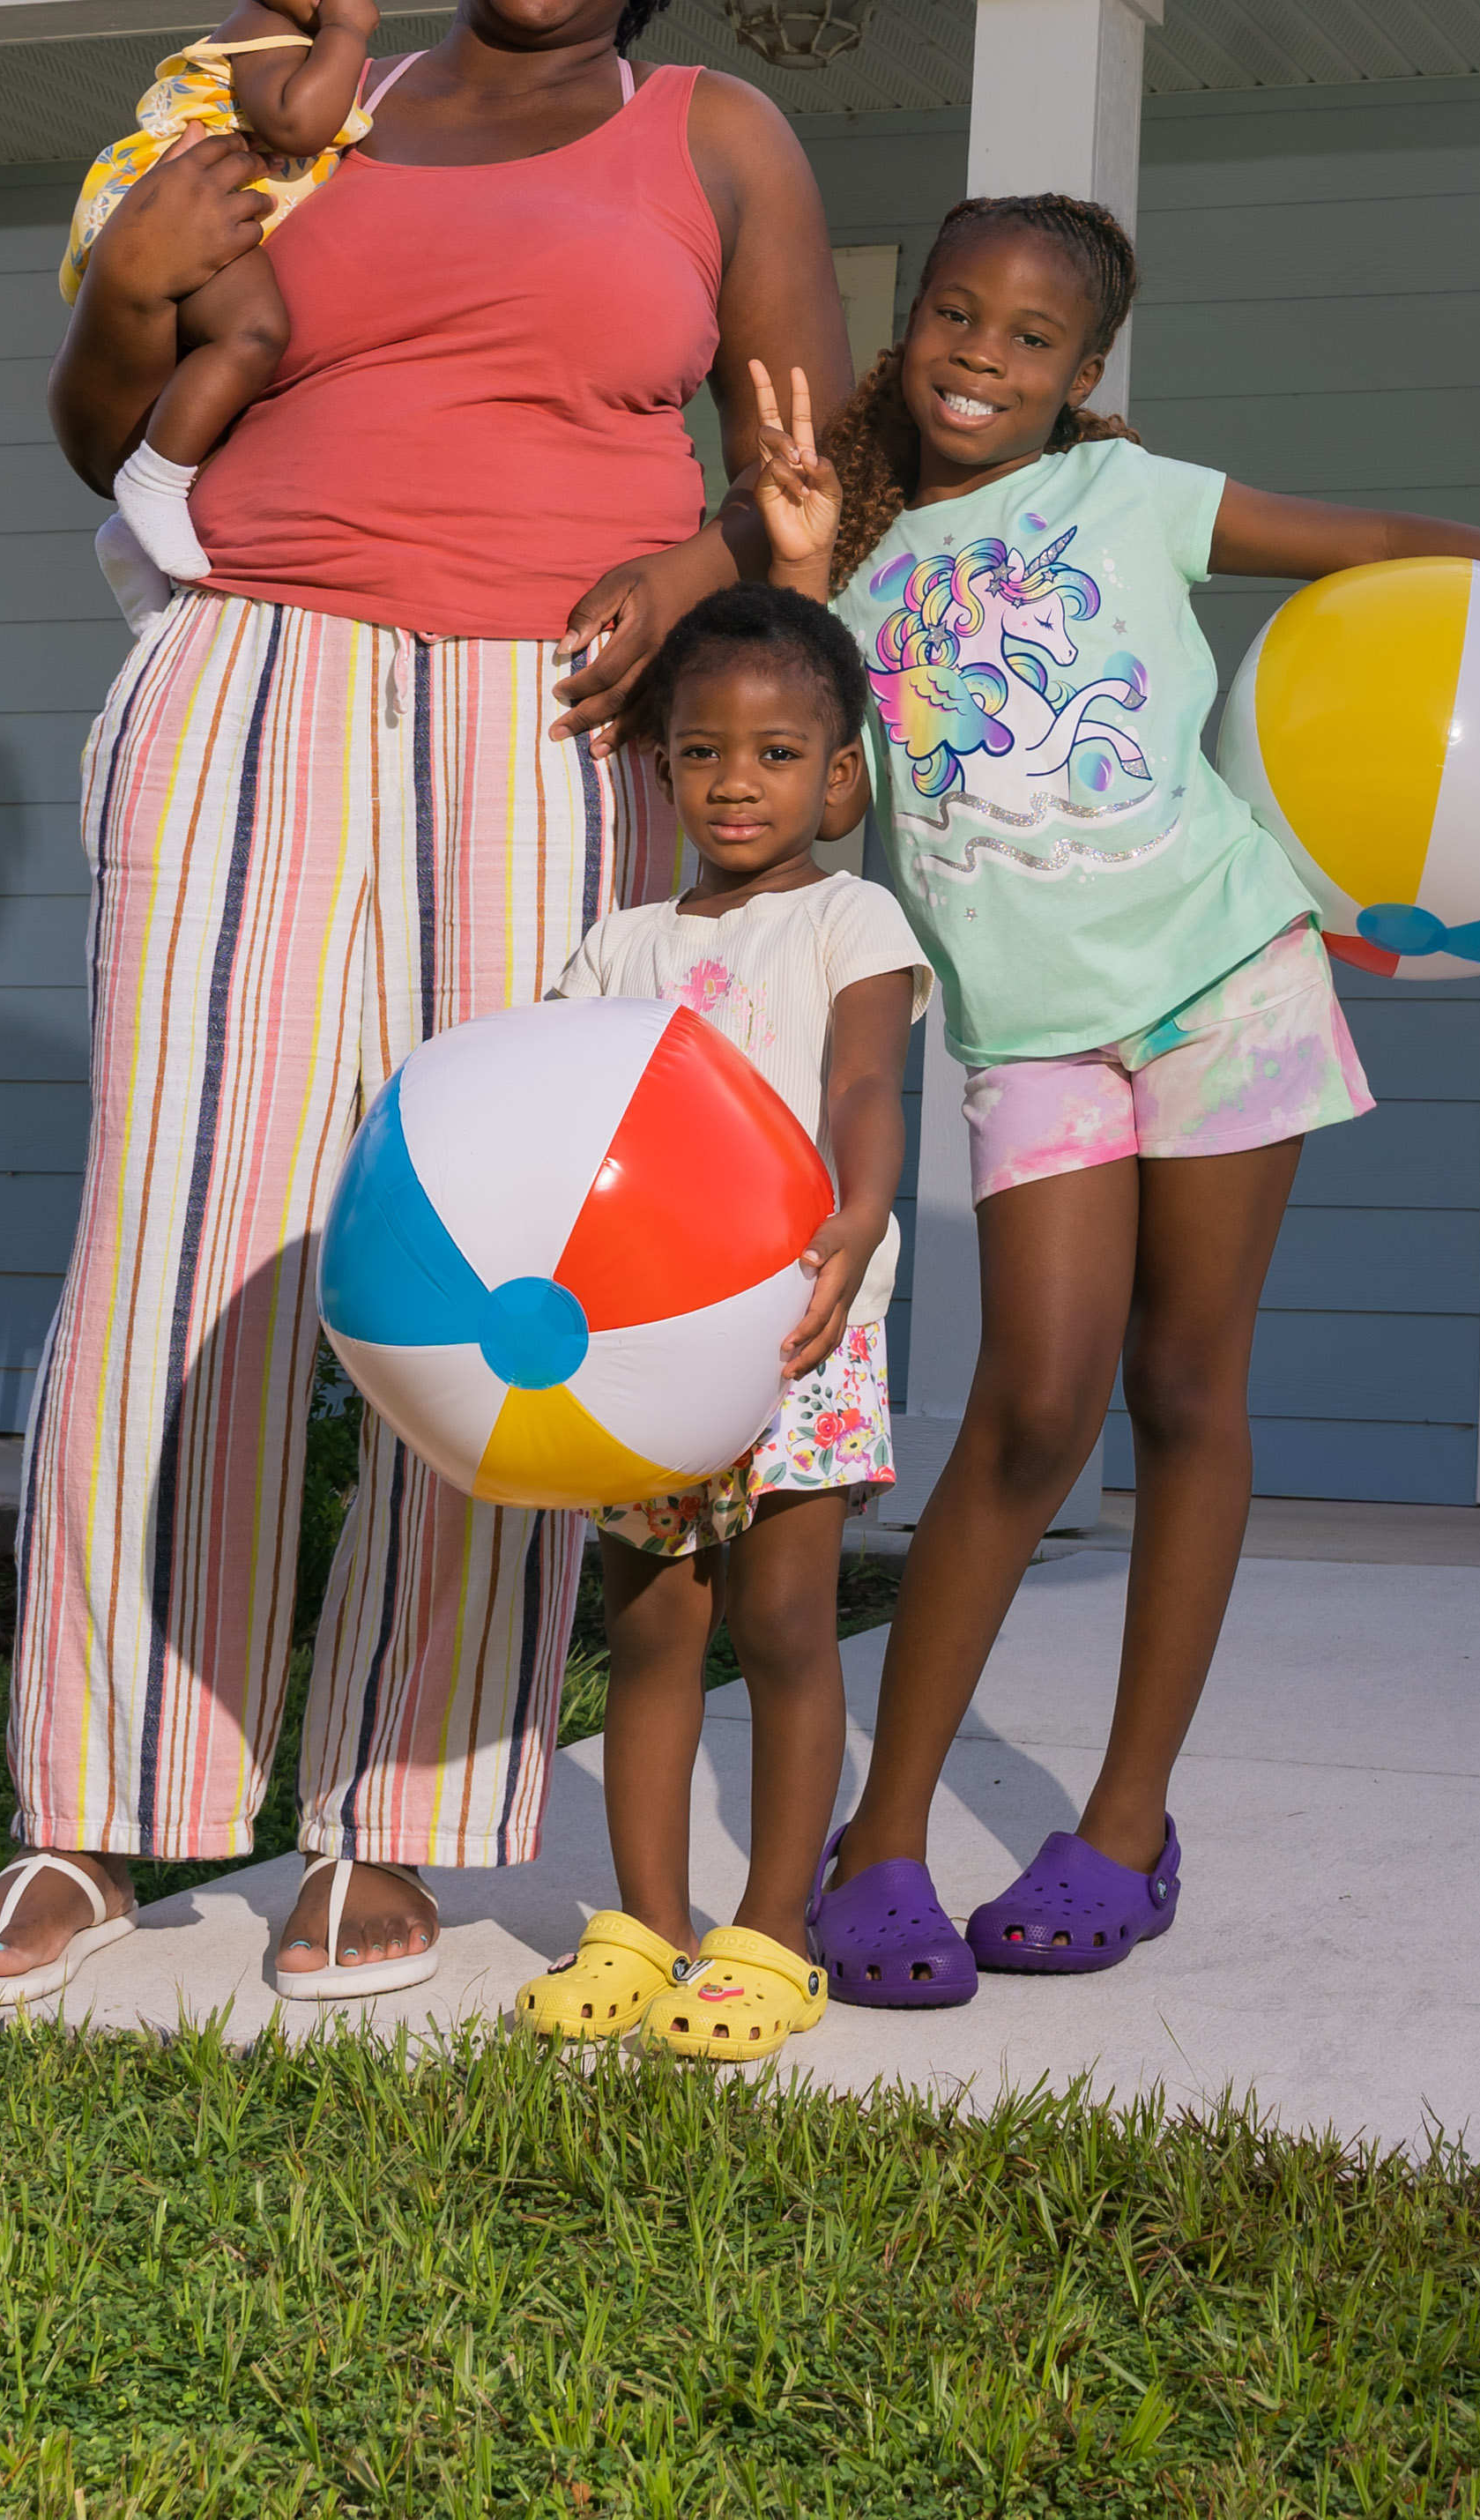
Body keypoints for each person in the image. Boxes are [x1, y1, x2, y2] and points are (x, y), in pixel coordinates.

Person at [0, 0, 847, 2016]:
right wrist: (123, 296)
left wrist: (693, 559)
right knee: (174, 1235)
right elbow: (110, 428)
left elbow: (814, 467)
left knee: (487, 1251)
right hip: (254, 677)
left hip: (546, 719)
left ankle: (401, 1817)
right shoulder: (292, 108)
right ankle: (93, 1807)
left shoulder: (712, 136)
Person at [724, 194, 1480, 2003]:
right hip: (1032, 1034)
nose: (978, 357)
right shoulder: (844, 566)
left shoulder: (1133, 494)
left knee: (1182, 1388)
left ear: (1085, 373)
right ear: (907, 326)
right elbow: (822, 803)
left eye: (1026, 336)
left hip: (1230, 975)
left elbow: (1383, 543)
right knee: (1030, 1401)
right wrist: (785, 577)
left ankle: (1129, 1822)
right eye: (951, 314)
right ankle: (887, 1835)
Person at [509, 581, 923, 2065]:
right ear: (662, 766)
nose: (733, 780)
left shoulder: (846, 912)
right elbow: (557, 1123)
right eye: (700, 751)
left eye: (772, 750)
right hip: (633, 1349)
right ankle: (640, 1920)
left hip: (795, 1328)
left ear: (837, 773)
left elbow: (865, 1084)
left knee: (782, 1621)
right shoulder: (616, 944)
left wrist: (859, 1211)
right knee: (649, 1626)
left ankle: (772, 1932)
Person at [64, 0, 390, 606]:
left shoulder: (294, 38)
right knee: (256, 331)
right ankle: (152, 479)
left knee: (228, 365)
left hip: (218, 218)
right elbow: (297, 122)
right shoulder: (267, 33)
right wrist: (350, 32)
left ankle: (132, 532)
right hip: (183, 205)